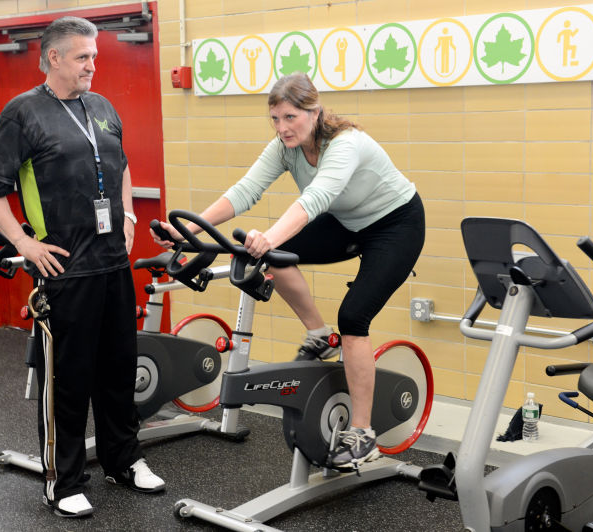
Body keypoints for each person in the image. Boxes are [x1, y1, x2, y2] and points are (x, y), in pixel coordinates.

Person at [153, 72, 425, 471]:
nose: (282, 128)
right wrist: (185, 229)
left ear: (314, 112)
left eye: (291, 118)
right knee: (270, 257)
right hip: (347, 222)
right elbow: (244, 191)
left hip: (395, 224)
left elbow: (314, 200)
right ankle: (319, 335)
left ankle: (364, 435)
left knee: (353, 316)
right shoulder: (285, 147)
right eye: (276, 119)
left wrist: (271, 236)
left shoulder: (345, 144)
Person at [0, 16, 164, 518]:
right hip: (63, 269)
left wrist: (125, 215)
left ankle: (124, 459)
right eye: (83, 57)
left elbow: (119, 166)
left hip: (112, 264)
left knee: (119, 369)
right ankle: (63, 479)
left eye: (94, 56)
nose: (92, 65)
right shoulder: (23, 113)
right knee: (69, 380)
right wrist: (23, 243)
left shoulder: (100, 105)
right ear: (54, 58)